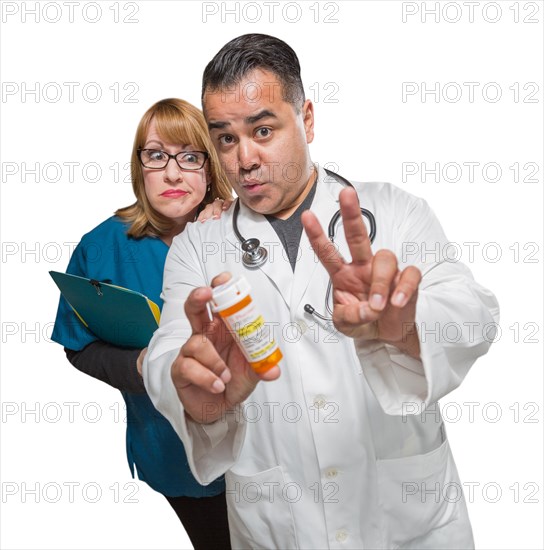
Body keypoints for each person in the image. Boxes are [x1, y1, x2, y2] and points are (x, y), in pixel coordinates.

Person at [143, 35, 500, 550]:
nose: (243, 159)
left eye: (263, 130)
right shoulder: (198, 248)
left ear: (306, 119)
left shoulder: (395, 212)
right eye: (224, 139)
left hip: (408, 525)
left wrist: (406, 329)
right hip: (276, 528)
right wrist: (193, 393)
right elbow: (169, 351)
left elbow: (476, 314)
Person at [51, 98, 233, 549]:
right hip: (171, 452)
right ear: (140, 167)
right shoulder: (103, 245)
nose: (173, 173)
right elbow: (78, 346)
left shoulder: (242, 227)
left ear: (210, 167)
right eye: (156, 155)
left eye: (190, 156)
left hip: (266, 448)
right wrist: (138, 366)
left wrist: (236, 218)